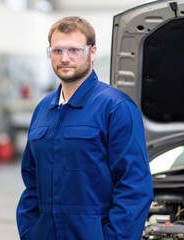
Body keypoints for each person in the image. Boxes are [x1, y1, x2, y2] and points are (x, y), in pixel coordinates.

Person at [16, 16, 153, 240]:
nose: (65, 58)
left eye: (74, 50)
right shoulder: (43, 109)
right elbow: (31, 183)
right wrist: (30, 232)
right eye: (57, 50)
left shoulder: (116, 107)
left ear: (92, 51)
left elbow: (134, 188)